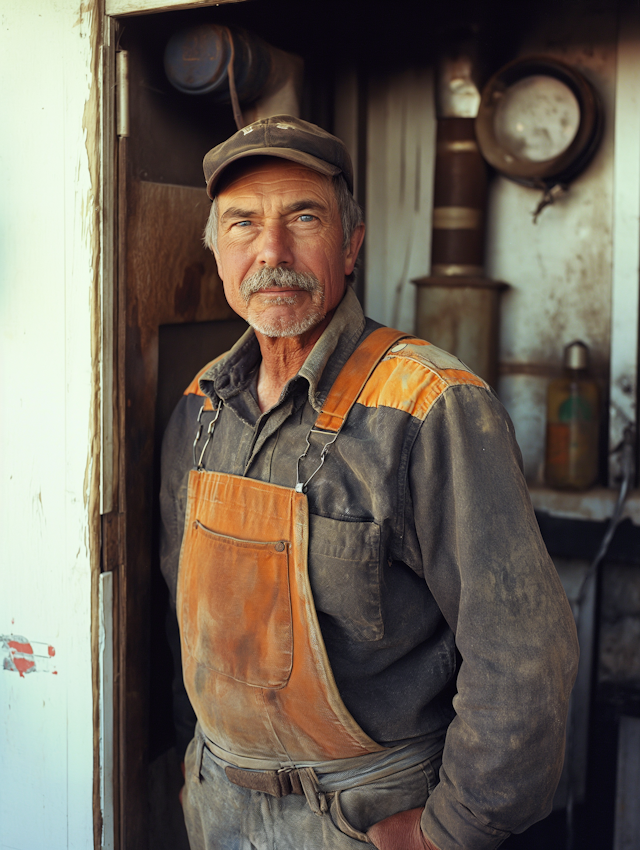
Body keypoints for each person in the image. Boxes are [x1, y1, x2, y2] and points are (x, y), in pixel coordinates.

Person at [160, 115, 579, 850]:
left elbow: (523, 657)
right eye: (242, 224)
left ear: (351, 244)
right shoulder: (199, 406)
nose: (272, 252)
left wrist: (450, 831)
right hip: (218, 806)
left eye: (304, 218)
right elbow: (183, 622)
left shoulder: (431, 404)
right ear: (216, 251)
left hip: (367, 820)